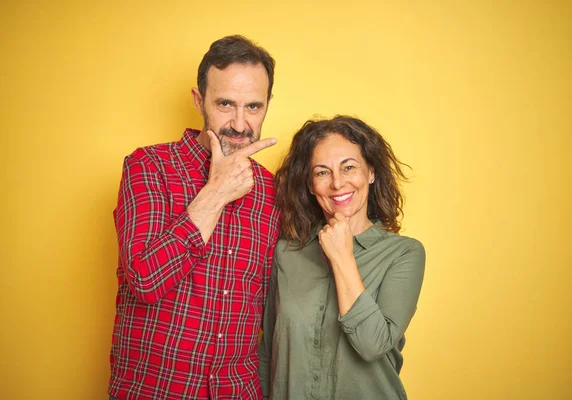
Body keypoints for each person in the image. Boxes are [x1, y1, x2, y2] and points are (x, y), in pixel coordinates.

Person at [108, 35, 280, 400]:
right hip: (155, 392)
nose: (239, 123)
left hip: (238, 391)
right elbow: (145, 279)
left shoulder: (273, 192)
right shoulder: (149, 167)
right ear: (199, 100)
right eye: (224, 104)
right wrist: (216, 192)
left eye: (253, 106)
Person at [259, 115, 426, 399]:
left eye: (349, 168)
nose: (338, 183)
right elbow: (268, 353)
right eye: (322, 172)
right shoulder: (287, 252)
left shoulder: (404, 254)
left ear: (370, 173)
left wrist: (342, 257)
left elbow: (373, 345)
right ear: (311, 185)